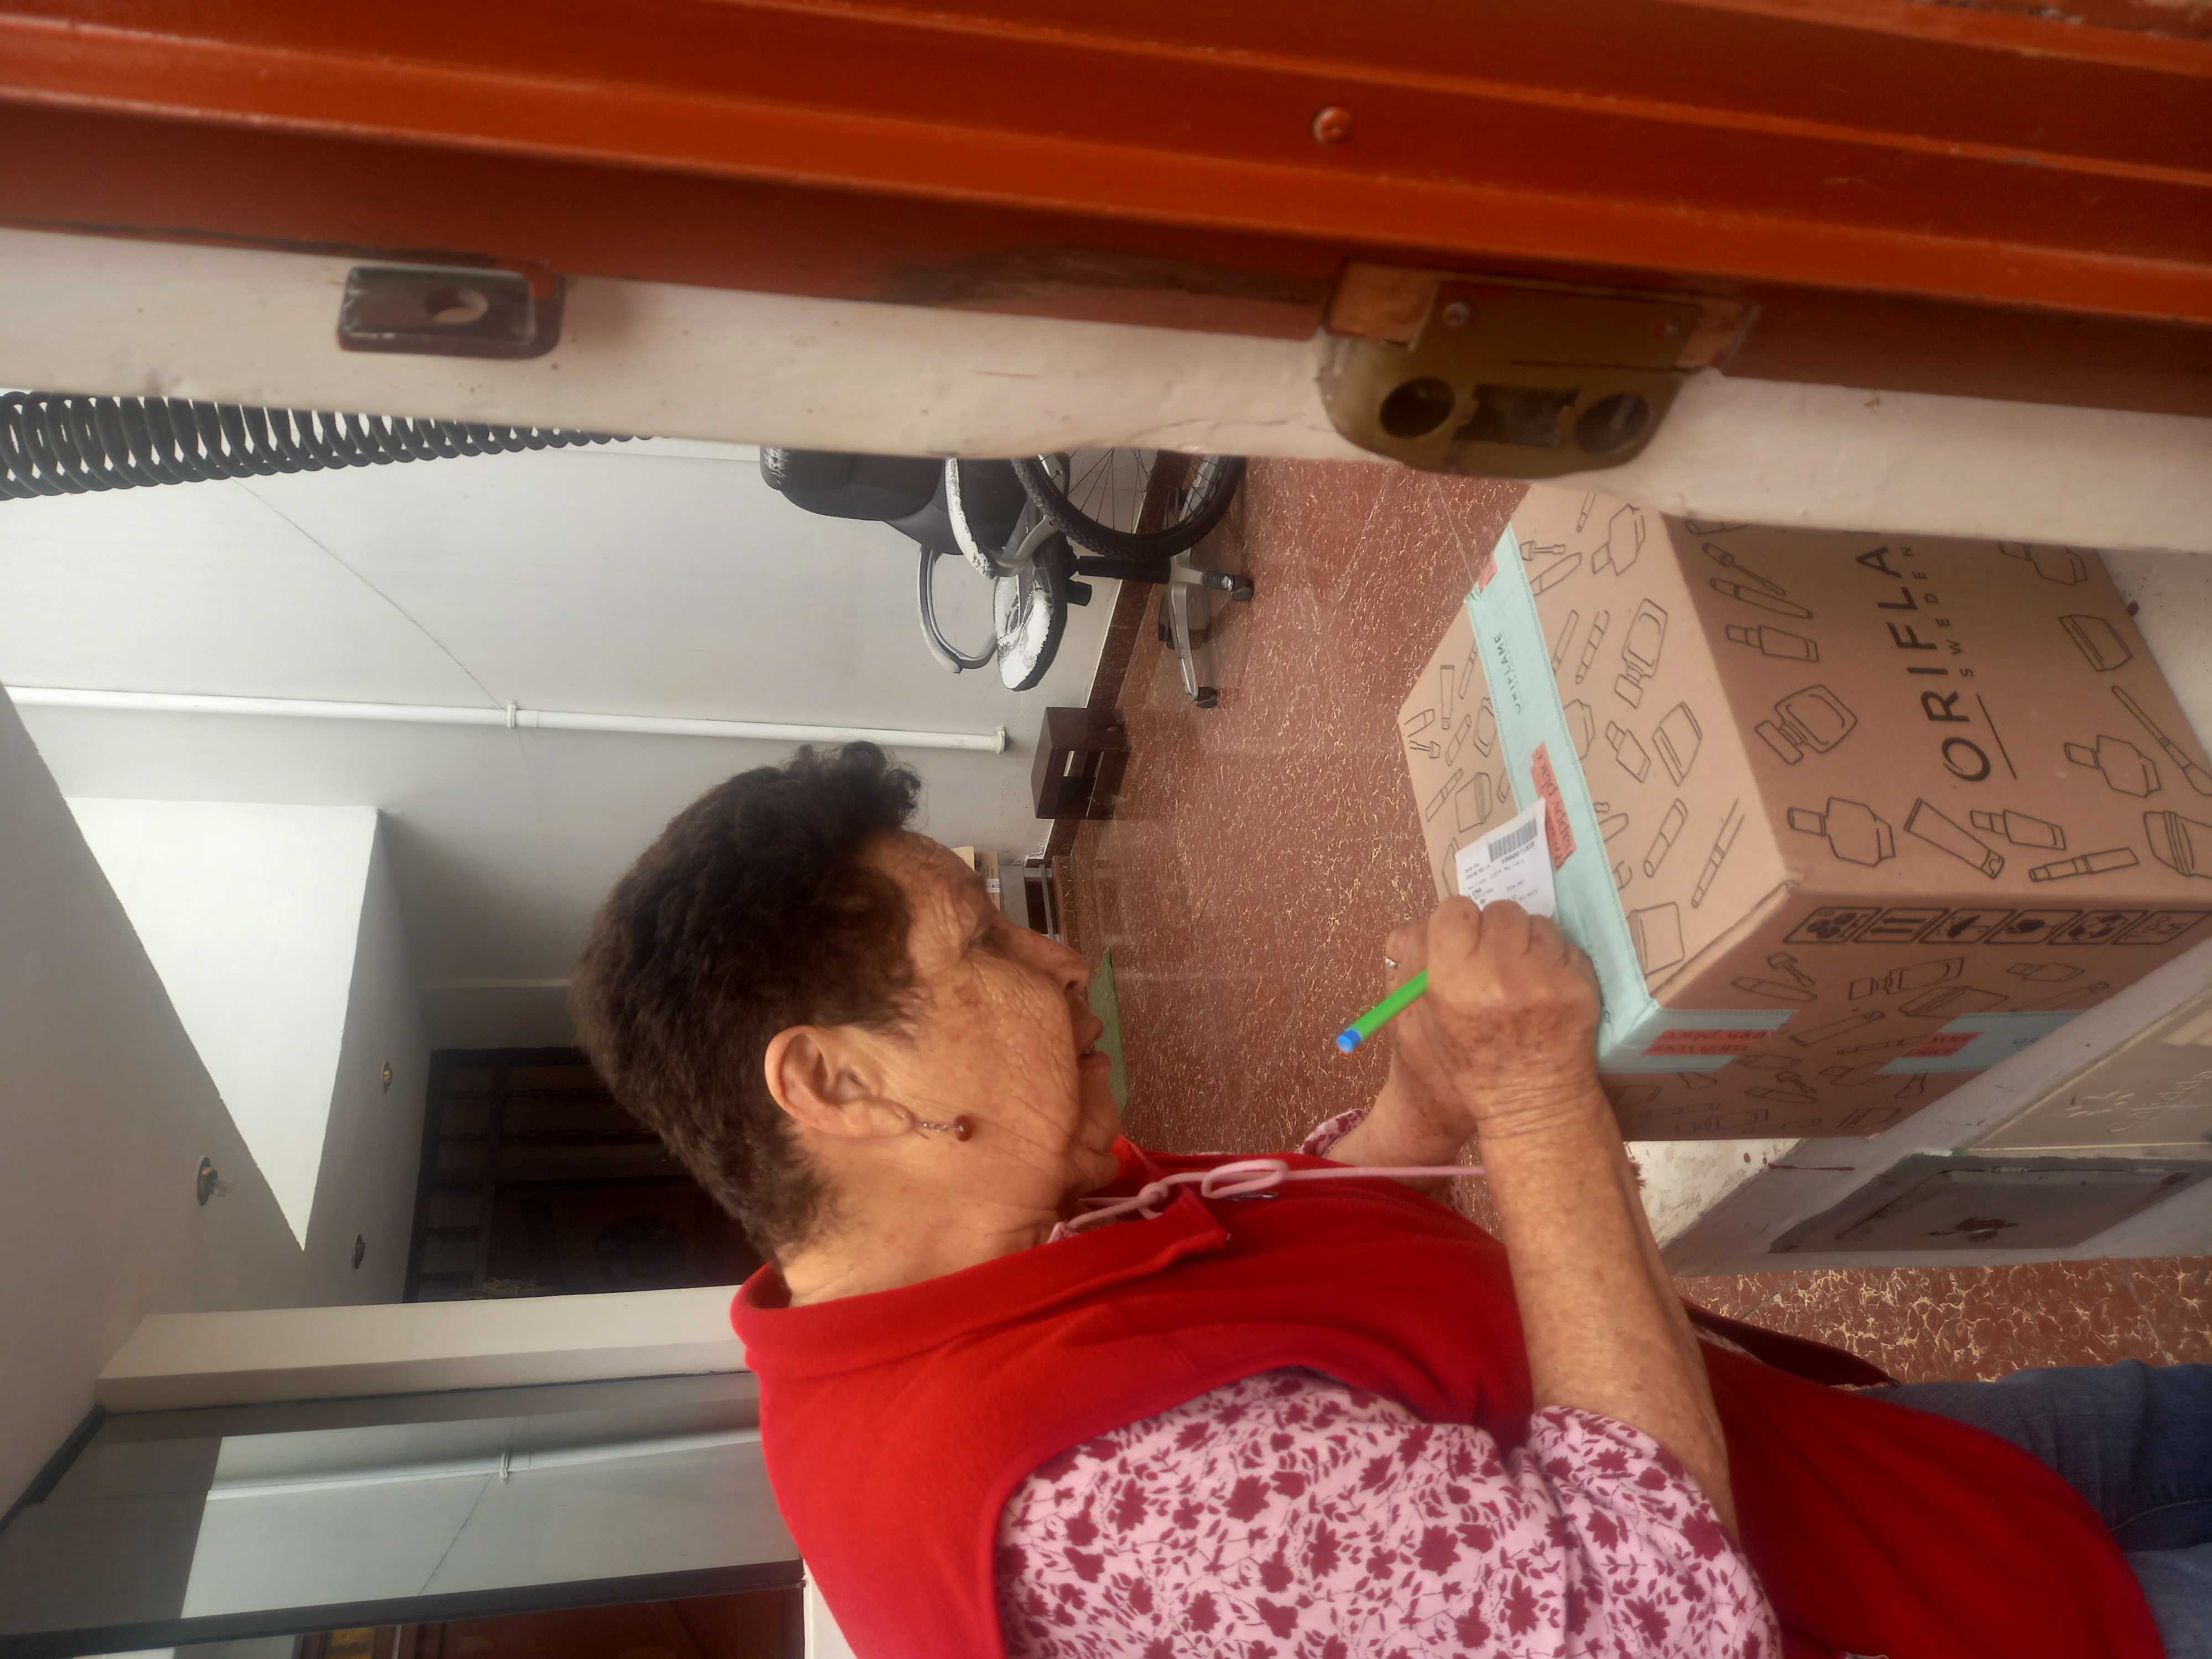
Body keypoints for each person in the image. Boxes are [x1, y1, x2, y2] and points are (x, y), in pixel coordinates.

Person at [574, 744, 2199, 1658]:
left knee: (2149, 1421)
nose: (1059, 956)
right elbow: (1653, 1612)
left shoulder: (985, 1239)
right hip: (1933, 1620)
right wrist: (1537, 1096)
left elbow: (1250, 1280)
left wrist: (1418, 1109)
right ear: (838, 1084)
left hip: (1845, 1474)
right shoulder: (1083, 1498)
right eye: (984, 943)